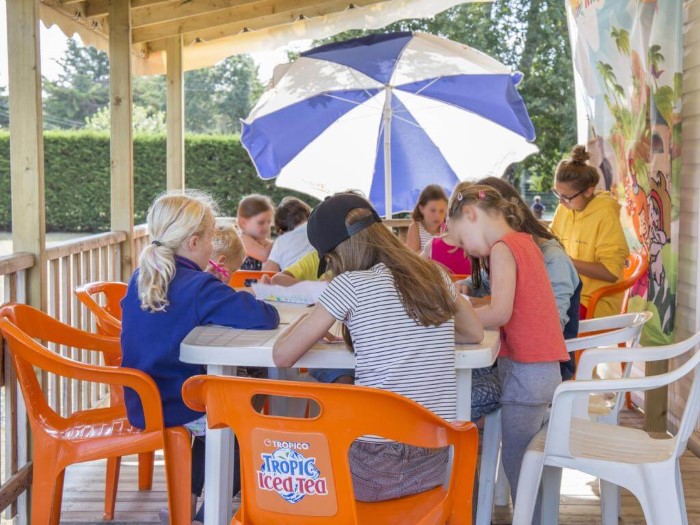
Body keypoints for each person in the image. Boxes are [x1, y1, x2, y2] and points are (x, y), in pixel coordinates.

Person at [272, 193, 483, 502]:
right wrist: (416, 330)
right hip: (433, 462)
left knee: (292, 457)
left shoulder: (350, 285)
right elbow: (474, 332)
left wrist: (301, 322)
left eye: (329, 261)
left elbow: (282, 356)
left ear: (339, 252)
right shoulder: (435, 274)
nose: (332, 268)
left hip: (373, 468)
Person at [119, 191, 280, 523]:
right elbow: (265, 317)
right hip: (178, 399)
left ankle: (186, 504)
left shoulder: (143, 277)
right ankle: (210, 515)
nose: (213, 245)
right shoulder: (198, 285)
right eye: (210, 237)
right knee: (239, 429)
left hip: (144, 398)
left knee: (219, 415)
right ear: (193, 242)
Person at [448, 184, 568, 507]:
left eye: (462, 241)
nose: (466, 251)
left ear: (472, 215)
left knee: (519, 468)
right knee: (526, 467)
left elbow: (501, 311)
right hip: (540, 372)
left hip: (527, 377)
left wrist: (454, 324)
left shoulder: (503, 248)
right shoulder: (523, 241)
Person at [461, 177, 581, 379]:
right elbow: (484, 279)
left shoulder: (553, 259)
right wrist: (466, 287)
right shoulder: (513, 249)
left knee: (460, 385)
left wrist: (478, 309)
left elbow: (551, 324)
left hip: (540, 367)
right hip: (514, 361)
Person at [551, 145, 629, 318]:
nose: (562, 202)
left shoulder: (605, 214)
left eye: (567, 197)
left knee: (537, 321)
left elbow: (611, 273)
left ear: (589, 190)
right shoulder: (565, 207)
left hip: (594, 302)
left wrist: (567, 262)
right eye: (558, 194)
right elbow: (552, 241)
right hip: (567, 294)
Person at [263, 196, 314, 273]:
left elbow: (267, 273)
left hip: (292, 282)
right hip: (323, 282)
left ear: (281, 230)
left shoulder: (280, 242)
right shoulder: (316, 229)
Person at [237, 194, 274, 272]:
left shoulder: (262, 241)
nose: (266, 227)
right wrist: (282, 239)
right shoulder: (243, 240)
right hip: (243, 283)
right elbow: (264, 256)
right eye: (261, 222)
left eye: (269, 222)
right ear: (243, 222)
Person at [406, 184, 448, 252]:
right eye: (433, 210)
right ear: (421, 208)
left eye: (441, 211)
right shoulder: (416, 228)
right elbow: (412, 258)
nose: (437, 215)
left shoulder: (447, 229)